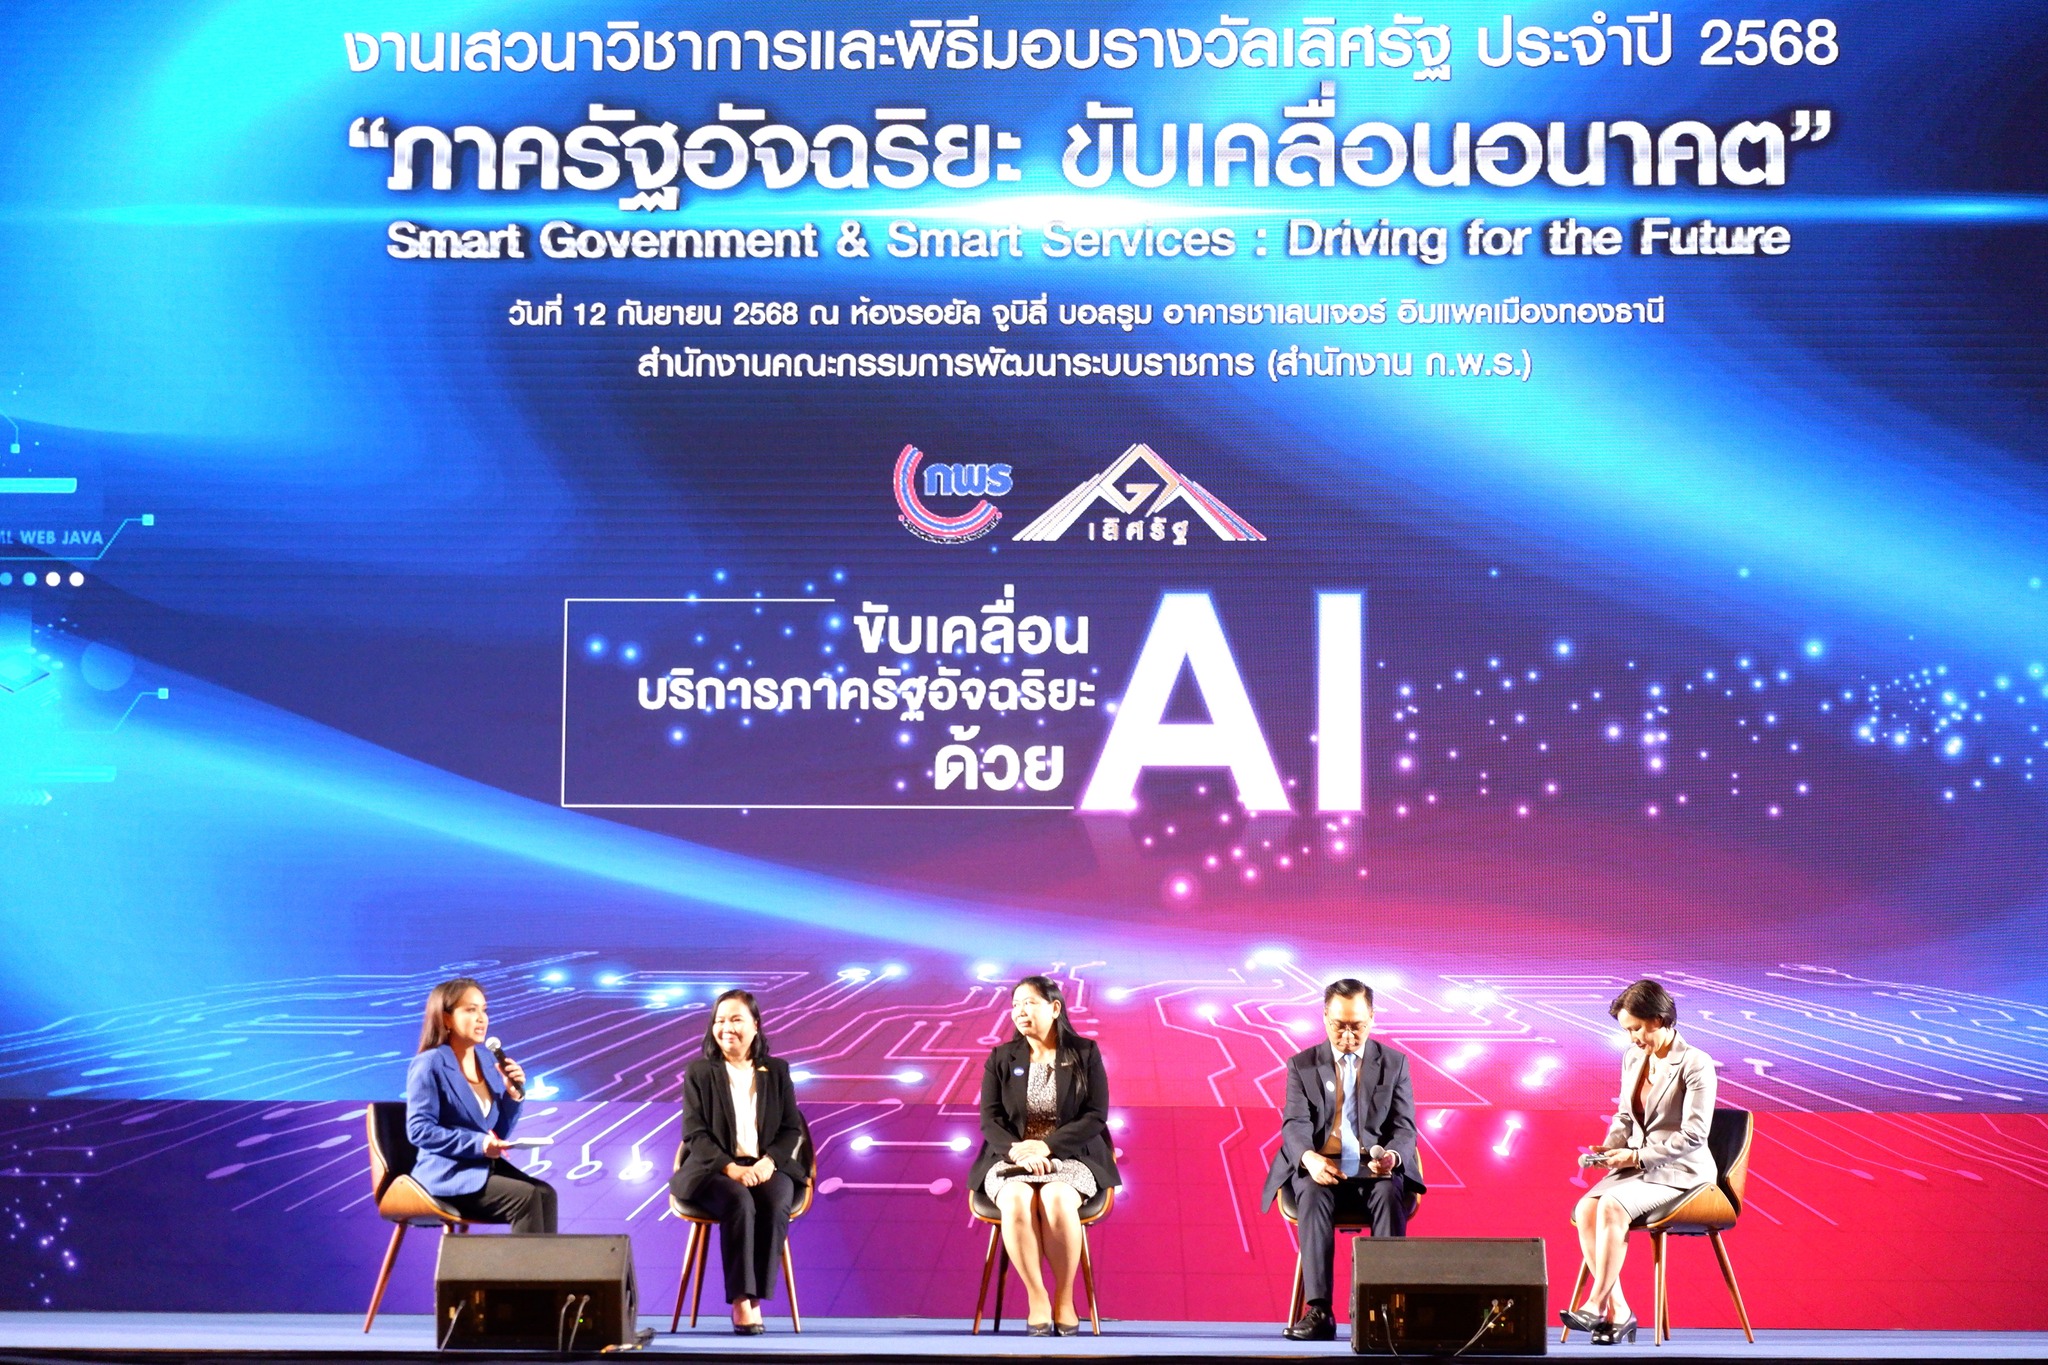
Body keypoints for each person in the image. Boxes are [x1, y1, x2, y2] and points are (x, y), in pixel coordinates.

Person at [1261, 978, 1422, 1342]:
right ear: (1324, 1018)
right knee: (1312, 1194)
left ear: (1372, 1019)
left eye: (1357, 1026)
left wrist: (1392, 1156)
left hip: (1373, 1170)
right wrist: (1310, 1159)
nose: (1348, 1036)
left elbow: (1405, 1127)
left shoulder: (1394, 1063)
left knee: (1389, 1193)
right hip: (1322, 1165)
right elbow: (1294, 1124)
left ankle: (1383, 1309)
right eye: (1339, 1025)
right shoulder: (1302, 1065)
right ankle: (1319, 1311)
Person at [1564, 979, 1718, 1346]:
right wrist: (1609, 1149)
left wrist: (1635, 1156)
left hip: (1684, 1172)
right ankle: (1620, 1311)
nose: (1632, 1038)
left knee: (1611, 1205)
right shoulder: (1633, 1057)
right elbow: (1624, 1116)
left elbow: (1694, 1135)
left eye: (1636, 1029)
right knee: (1586, 1208)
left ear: (1659, 1019)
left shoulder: (1696, 1063)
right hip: (1639, 1168)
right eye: (1627, 1030)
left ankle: (1596, 1304)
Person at [968, 975, 1120, 1336]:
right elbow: (990, 1119)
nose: (1020, 1011)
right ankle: (1037, 1297)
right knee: (1016, 1199)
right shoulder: (1001, 1058)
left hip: (1072, 1156)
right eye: (1015, 1005)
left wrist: (1047, 1146)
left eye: (1030, 1003)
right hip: (1011, 1158)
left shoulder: (1084, 1053)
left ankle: (1064, 1298)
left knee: (1056, 1197)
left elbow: (1095, 1115)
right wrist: (1018, 1151)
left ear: (1054, 1008)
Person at [671, 989, 808, 1335]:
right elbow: (694, 1133)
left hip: (765, 1166)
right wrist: (730, 1168)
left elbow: (791, 1129)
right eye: (719, 1020)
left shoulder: (776, 1071)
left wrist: (768, 1163)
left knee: (775, 1201)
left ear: (756, 1025)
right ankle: (741, 1300)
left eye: (736, 1019)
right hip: (713, 1170)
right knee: (738, 1200)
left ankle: (757, 1295)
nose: (726, 1027)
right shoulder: (699, 1072)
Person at [404, 977, 557, 1233]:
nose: (481, 1019)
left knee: (545, 1194)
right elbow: (419, 1130)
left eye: (484, 1010)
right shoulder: (430, 1063)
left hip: (481, 1169)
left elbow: (497, 1131)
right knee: (526, 1197)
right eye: (470, 1010)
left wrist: (512, 1096)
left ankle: (545, 1262)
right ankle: (525, 1262)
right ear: (446, 1018)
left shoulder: (487, 1062)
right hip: (446, 1174)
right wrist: (479, 1144)